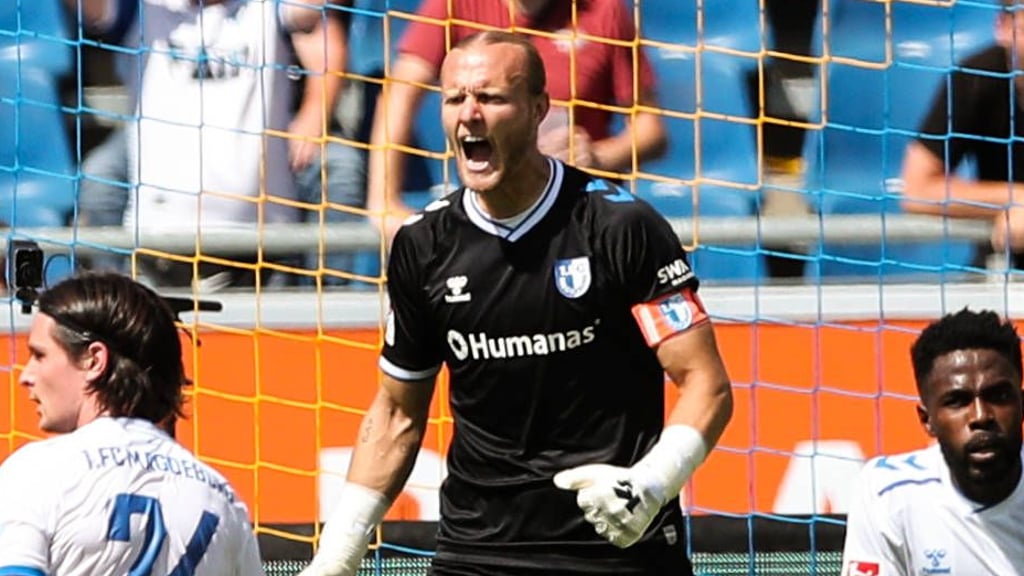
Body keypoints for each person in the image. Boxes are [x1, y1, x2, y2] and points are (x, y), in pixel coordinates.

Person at [301, 31, 733, 576]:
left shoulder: (621, 228)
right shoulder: (424, 246)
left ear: (537, 110)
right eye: (455, 98)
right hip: (477, 552)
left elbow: (705, 383)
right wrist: (336, 557)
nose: (470, 115)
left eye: (491, 98)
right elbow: (395, 414)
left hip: (617, 546)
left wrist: (651, 483)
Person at [0, 272, 264, 575]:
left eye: (39, 355)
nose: (25, 376)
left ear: (94, 361)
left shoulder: (38, 470)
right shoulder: (222, 497)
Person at [70, 0, 327, 288]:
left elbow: (314, 7)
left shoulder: (268, 8)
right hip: (159, 250)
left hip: (261, 250)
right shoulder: (141, 10)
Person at [366, 0, 668, 242]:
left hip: (578, 215)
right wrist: (383, 200)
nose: (471, 111)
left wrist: (598, 156)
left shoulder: (603, 10)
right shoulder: (456, 5)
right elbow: (398, 95)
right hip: (493, 215)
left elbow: (651, 129)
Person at [841, 308, 1024, 576]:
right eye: (958, 402)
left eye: (997, 396)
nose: (981, 416)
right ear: (927, 420)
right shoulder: (888, 495)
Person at [900, 0, 1024, 268]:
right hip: (1003, 262)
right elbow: (917, 189)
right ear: (1003, 28)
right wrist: (1017, 199)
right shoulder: (975, 78)